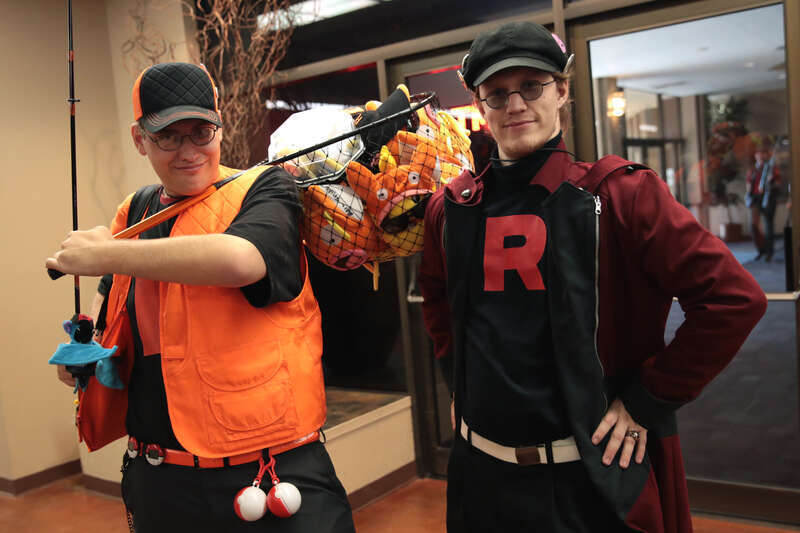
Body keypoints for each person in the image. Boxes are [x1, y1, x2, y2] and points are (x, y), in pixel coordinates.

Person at [418, 22, 767, 533]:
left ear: (561, 90)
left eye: (531, 86)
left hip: (592, 484)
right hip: (481, 481)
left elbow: (734, 299)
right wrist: (458, 382)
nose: (514, 103)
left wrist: (650, 399)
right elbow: (439, 302)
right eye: (496, 92)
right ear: (480, 103)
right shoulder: (451, 209)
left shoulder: (623, 195)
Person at [47, 62, 355, 533]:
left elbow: (241, 260)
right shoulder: (135, 211)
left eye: (201, 132)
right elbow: (110, 307)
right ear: (139, 140)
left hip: (269, 475)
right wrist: (87, 358)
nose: (189, 150)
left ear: (219, 128)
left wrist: (108, 253)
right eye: (169, 136)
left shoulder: (265, 188)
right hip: (159, 479)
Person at [745, 136, 781, 261]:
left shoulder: (772, 168)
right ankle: (761, 250)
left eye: (762, 153)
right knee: (753, 226)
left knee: (768, 225)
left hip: (768, 197)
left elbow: (778, 183)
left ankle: (769, 252)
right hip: (756, 198)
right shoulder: (752, 169)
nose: (760, 155)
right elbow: (748, 184)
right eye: (758, 153)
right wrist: (749, 197)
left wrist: (770, 182)